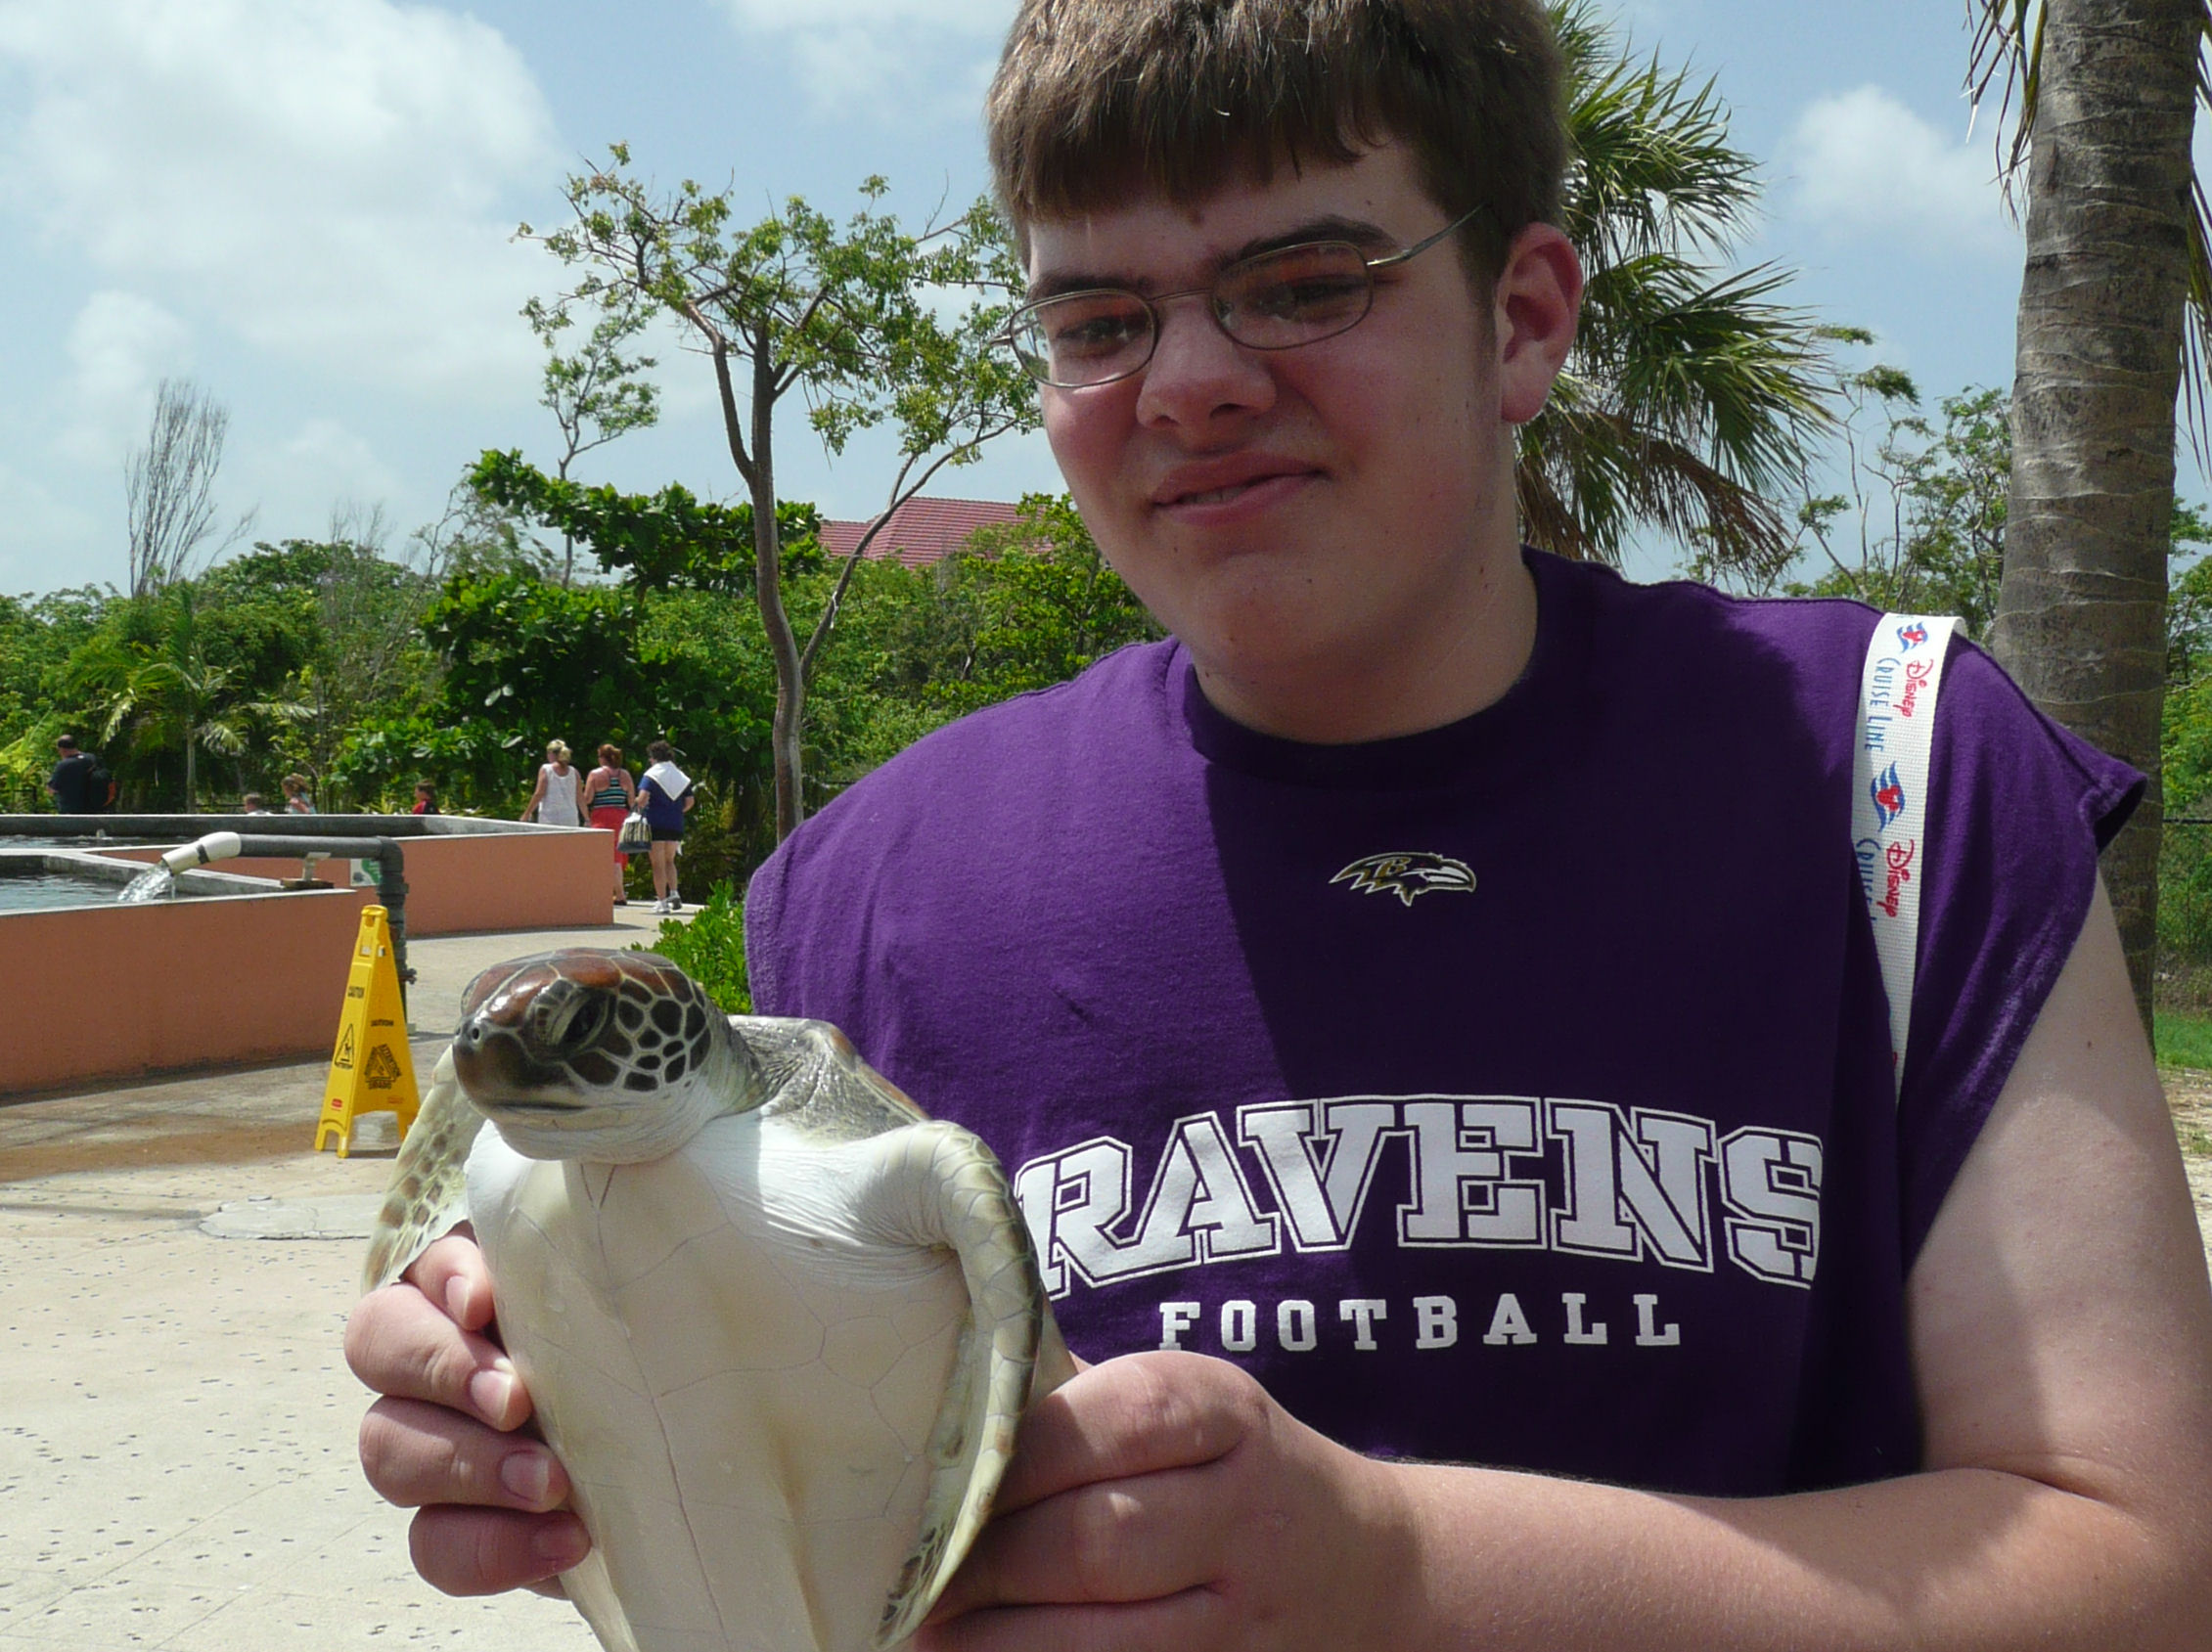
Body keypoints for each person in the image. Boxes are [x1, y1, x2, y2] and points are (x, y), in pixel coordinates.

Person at [345, 2, 2212, 1645]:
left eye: (1306, 282)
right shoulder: (874, 890)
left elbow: (2144, 1566)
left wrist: (1407, 1571)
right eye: (1097, 316)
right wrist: (551, 1402)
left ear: (1525, 314)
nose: (1193, 381)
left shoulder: (1893, 771)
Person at [635, 739, 694, 915]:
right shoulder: (679, 775)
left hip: (656, 823)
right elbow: (690, 801)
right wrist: (677, 812)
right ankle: (674, 892)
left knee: (657, 864)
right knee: (670, 860)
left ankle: (662, 902)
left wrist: (637, 804)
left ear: (653, 757)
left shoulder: (652, 775)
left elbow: (643, 798)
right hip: (675, 824)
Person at [583, 743, 639, 906]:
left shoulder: (595, 774)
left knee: (602, 856)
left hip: (601, 817)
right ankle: (616, 892)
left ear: (602, 758)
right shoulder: (625, 775)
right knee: (618, 856)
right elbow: (631, 800)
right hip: (620, 816)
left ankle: (616, 894)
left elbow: (588, 799)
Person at [520, 740, 584, 828]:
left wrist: (527, 813)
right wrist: (587, 818)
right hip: (570, 817)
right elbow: (580, 797)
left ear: (552, 754)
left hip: (550, 817)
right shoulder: (574, 772)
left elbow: (539, 793)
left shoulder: (546, 769)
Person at [46, 735, 113, 814]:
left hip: (73, 813)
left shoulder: (64, 765)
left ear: (61, 750)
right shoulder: (92, 758)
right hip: (96, 811)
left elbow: (51, 790)